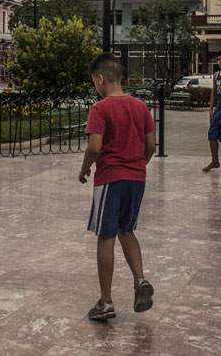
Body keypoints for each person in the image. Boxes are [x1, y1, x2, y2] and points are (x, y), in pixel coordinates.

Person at [79, 53, 156, 321]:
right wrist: (138, 165)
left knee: (106, 236)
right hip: (137, 179)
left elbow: (94, 147)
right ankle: (139, 280)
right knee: (127, 230)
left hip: (110, 179)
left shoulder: (99, 109)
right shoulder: (141, 107)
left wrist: (85, 167)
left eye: (94, 82)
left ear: (101, 79)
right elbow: (151, 147)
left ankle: (106, 301)